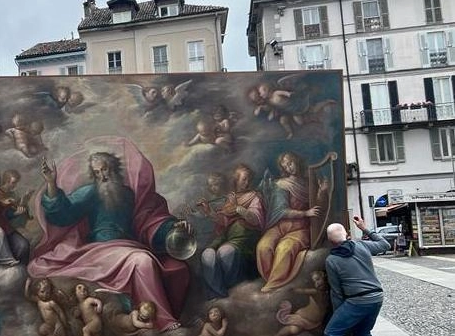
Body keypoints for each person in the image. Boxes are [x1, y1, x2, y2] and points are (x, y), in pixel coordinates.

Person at [28, 137, 191, 333]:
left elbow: (150, 220)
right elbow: (63, 214)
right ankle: (162, 321)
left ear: (114, 168)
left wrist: (173, 229)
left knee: (169, 266)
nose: (102, 176)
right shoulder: (91, 192)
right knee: (142, 261)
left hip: (129, 246)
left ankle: (144, 317)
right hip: (100, 250)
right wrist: (51, 184)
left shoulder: (130, 195)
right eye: (97, 173)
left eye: (105, 169)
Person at [256, 152, 320, 292]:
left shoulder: (309, 183)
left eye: (290, 163)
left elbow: (320, 202)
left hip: (300, 227)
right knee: (263, 247)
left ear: (296, 161)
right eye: (285, 166)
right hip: (281, 226)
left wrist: (323, 191)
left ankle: (274, 285)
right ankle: (272, 279)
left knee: (284, 248)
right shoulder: (282, 184)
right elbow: (281, 210)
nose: (289, 167)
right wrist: (305, 213)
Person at [199, 165, 265, 299]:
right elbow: (223, 221)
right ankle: (217, 293)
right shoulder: (231, 198)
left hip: (245, 239)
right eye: (244, 179)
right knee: (207, 255)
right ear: (236, 180)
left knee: (226, 252)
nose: (247, 182)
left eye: (249, 179)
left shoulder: (255, 196)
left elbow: (256, 220)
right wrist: (209, 212)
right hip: (227, 238)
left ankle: (232, 291)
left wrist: (238, 208)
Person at [323, 216, 390, 336]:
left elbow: (336, 292)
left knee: (331, 332)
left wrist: (338, 314)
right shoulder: (361, 245)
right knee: (362, 332)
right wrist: (364, 228)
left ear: (330, 241)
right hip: (377, 297)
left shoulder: (331, 260)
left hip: (357, 300)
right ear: (347, 235)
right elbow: (385, 245)